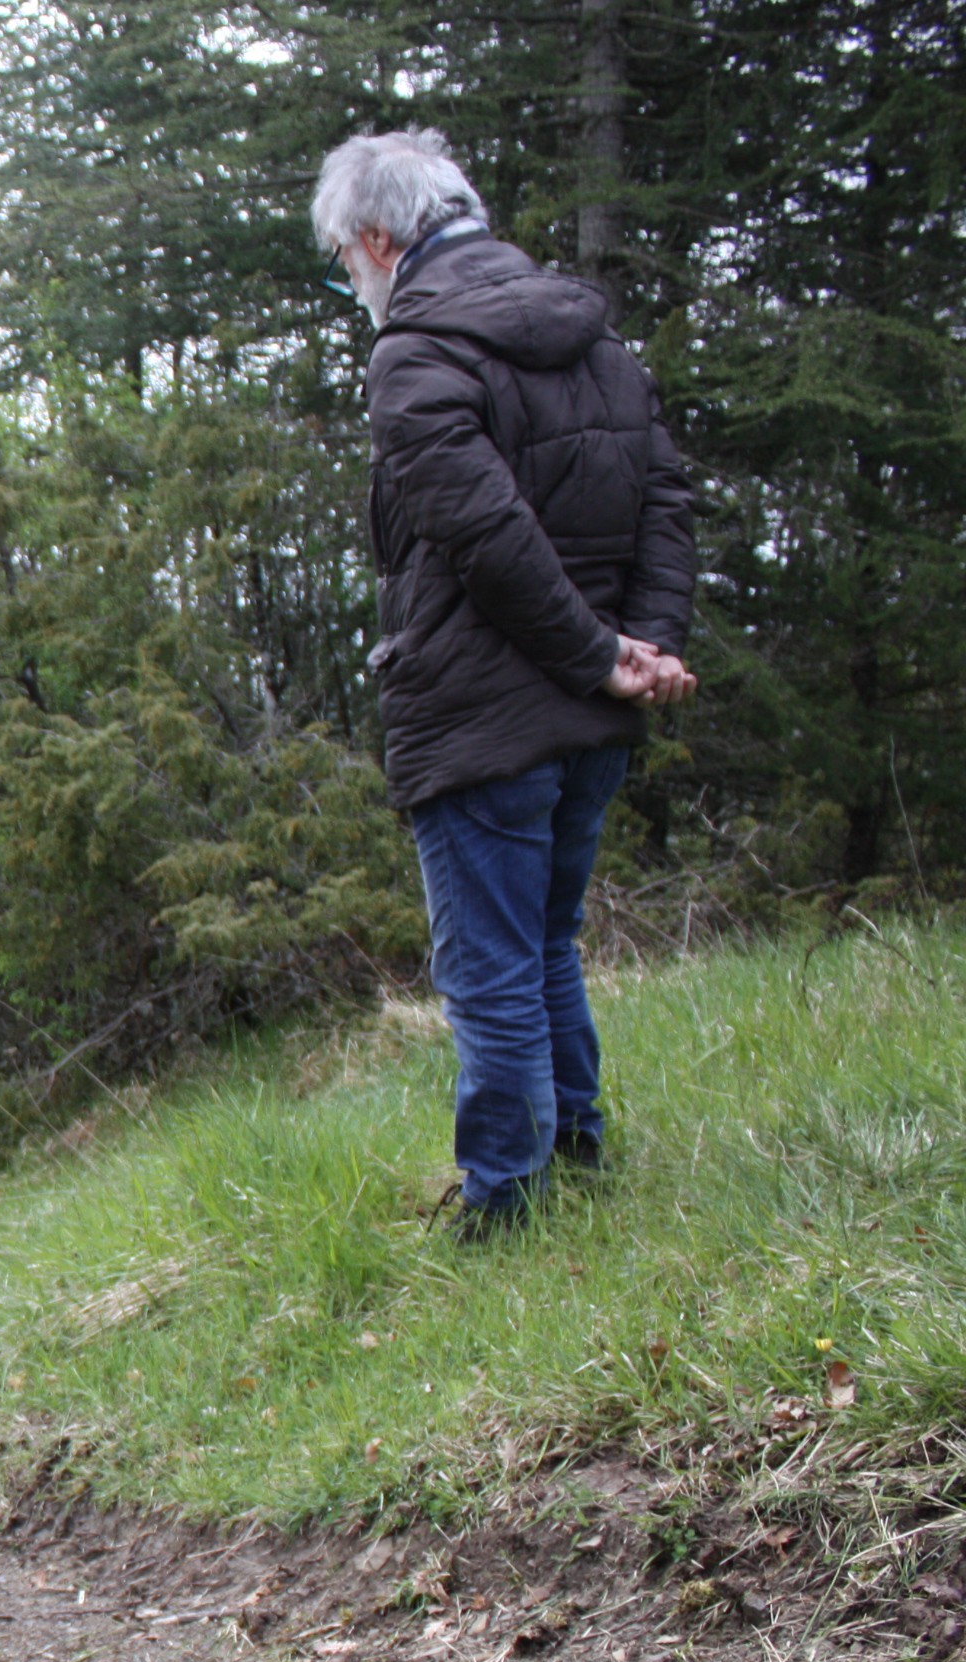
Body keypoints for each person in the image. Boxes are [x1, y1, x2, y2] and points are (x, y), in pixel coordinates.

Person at [313, 129, 698, 1239]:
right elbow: (666, 498)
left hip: (485, 712)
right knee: (543, 944)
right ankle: (576, 1158)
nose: (354, 281)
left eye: (347, 259)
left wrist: (595, 651)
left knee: (489, 967)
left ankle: (507, 1209)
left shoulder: (416, 356)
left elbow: (485, 533)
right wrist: (641, 645)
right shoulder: (596, 345)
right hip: (592, 714)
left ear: (379, 240)